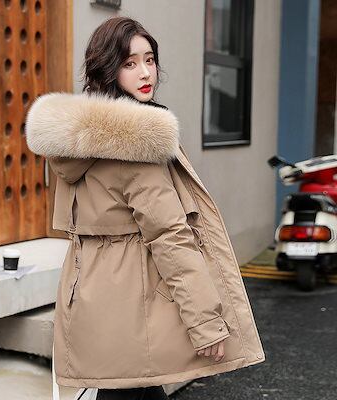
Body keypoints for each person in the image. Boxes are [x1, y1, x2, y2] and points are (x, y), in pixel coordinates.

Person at [25, 16, 265, 400]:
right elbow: (170, 236)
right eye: (129, 63)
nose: (145, 72)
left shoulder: (76, 143)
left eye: (149, 59)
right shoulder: (136, 147)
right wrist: (206, 323)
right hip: (137, 307)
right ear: (108, 69)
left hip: (92, 299)